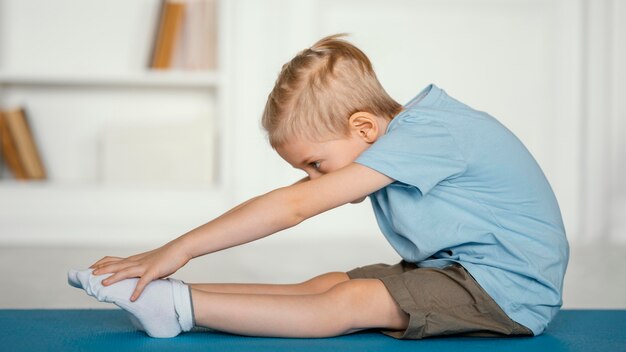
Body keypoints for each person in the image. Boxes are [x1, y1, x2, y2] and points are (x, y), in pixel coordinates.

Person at [68, 34, 569, 339]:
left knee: (348, 305)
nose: (312, 179)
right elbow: (300, 197)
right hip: (457, 272)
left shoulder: (430, 135)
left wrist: (177, 248)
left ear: (364, 129)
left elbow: (294, 207)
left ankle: (176, 305)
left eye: (315, 163)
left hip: (510, 293)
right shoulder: (407, 135)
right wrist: (162, 269)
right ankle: (168, 298)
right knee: (329, 284)